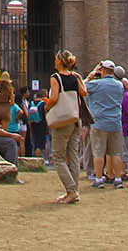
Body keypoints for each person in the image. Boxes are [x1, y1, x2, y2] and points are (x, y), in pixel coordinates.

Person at [42, 48, 85, 203]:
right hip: (75, 118)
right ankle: (74, 191)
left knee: (58, 156)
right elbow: (83, 92)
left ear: (59, 61)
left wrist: (46, 108)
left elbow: (53, 98)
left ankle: (71, 190)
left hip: (62, 119)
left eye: (56, 59)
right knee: (73, 155)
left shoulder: (56, 77)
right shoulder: (74, 77)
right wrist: (79, 77)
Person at [86, 60, 128, 188]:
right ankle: (117, 179)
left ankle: (99, 179)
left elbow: (81, 87)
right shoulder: (119, 85)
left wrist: (91, 75)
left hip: (99, 122)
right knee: (116, 152)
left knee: (98, 152)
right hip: (115, 122)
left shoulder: (95, 84)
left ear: (102, 70)